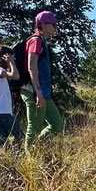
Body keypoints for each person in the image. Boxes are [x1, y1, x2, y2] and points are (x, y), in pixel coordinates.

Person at [22, 10, 63, 150]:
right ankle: (29, 160)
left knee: (56, 124)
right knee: (33, 128)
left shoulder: (42, 42)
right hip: (34, 91)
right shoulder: (35, 41)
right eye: (53, 25)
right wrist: (38, 92)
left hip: (43, 92)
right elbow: (31, 66)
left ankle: (36, 148)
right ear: (43, 25)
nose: (55, 28)